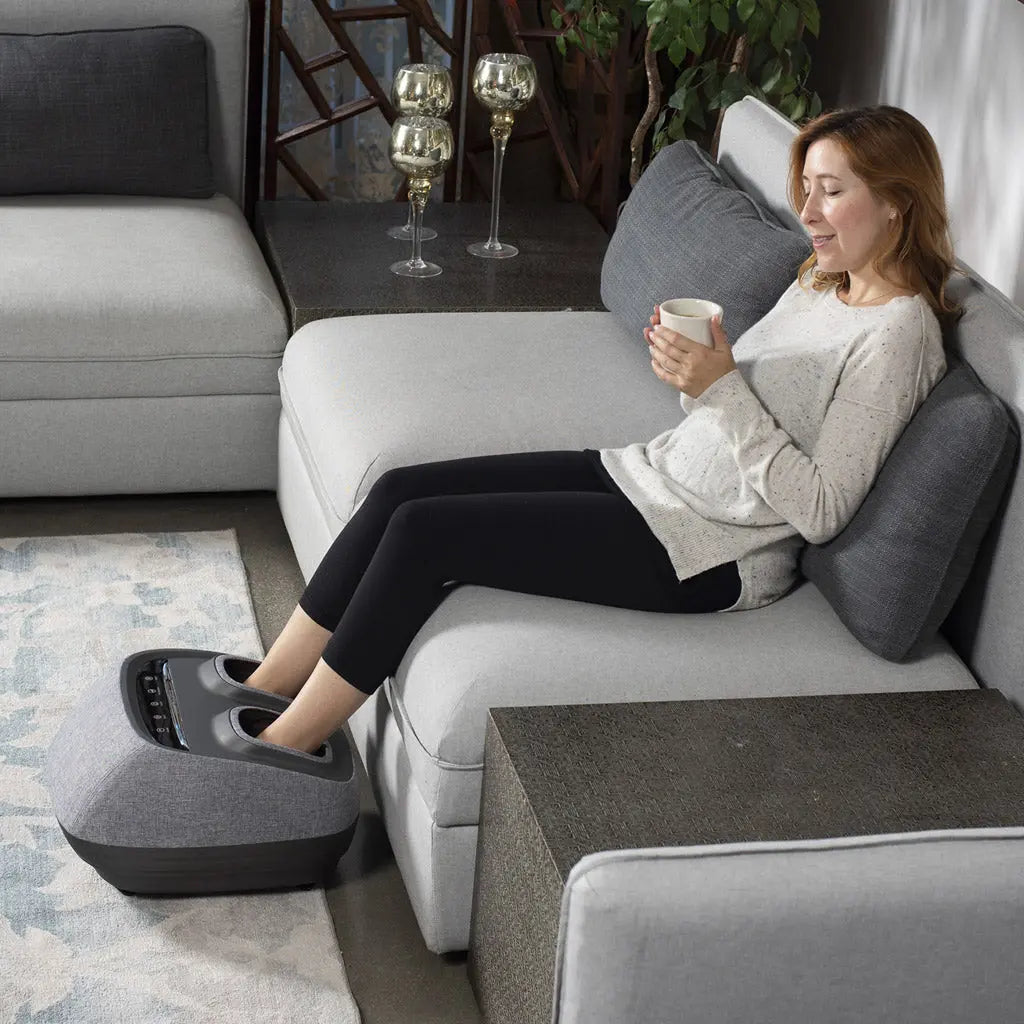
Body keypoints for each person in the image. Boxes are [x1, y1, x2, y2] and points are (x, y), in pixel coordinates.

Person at [243, 104, 961, 755]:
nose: (808, 211)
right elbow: (735, 410)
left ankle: (282, 749)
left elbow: (824, 509)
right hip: (648, 475)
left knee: (425, 536)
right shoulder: (819, 281)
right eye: (805, 188)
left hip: (707, 552)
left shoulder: (900, 335)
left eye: (830, 191)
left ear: (897, 200)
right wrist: (697, 376)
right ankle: (265, 689)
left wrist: (720, 387)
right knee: (399, 490)